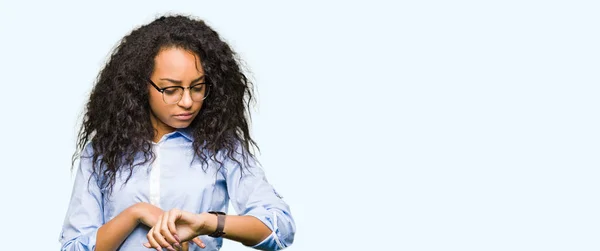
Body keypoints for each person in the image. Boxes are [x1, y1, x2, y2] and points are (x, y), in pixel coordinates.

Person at [59, 14, 295, 251]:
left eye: (197, 87)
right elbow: (74, 247)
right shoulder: (101, 152)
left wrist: (206, 223)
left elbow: (280, 229)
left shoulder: (221, 147)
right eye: (171, 90)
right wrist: (136, 213)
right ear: (141, 85)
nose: (187, 101)